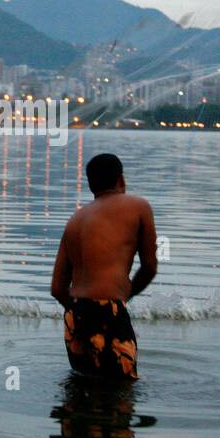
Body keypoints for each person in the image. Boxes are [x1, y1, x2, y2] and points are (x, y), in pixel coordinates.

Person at [50, 153, 158, 380]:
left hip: (73, 316)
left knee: (83, 389)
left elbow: (57, 289)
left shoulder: (75, 221)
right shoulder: (139, 207)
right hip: (108, 309)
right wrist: (124, 295)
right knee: (122, 390)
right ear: (121, 180)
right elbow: (149, 267)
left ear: (90, 185)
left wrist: (80, 311)